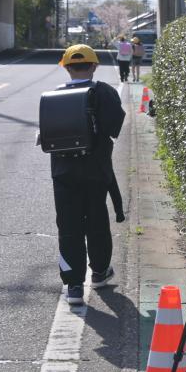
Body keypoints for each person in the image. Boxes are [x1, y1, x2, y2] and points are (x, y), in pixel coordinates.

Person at [50, 44, 126, 306]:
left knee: (68, 227)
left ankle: (72, 285)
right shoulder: (103, 92)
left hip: (63, 173)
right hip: (95, 171)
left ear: (67, 67)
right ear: (94, 66)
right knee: (97, 223)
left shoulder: (54, 95)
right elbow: (114, 127)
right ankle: (99, 272)